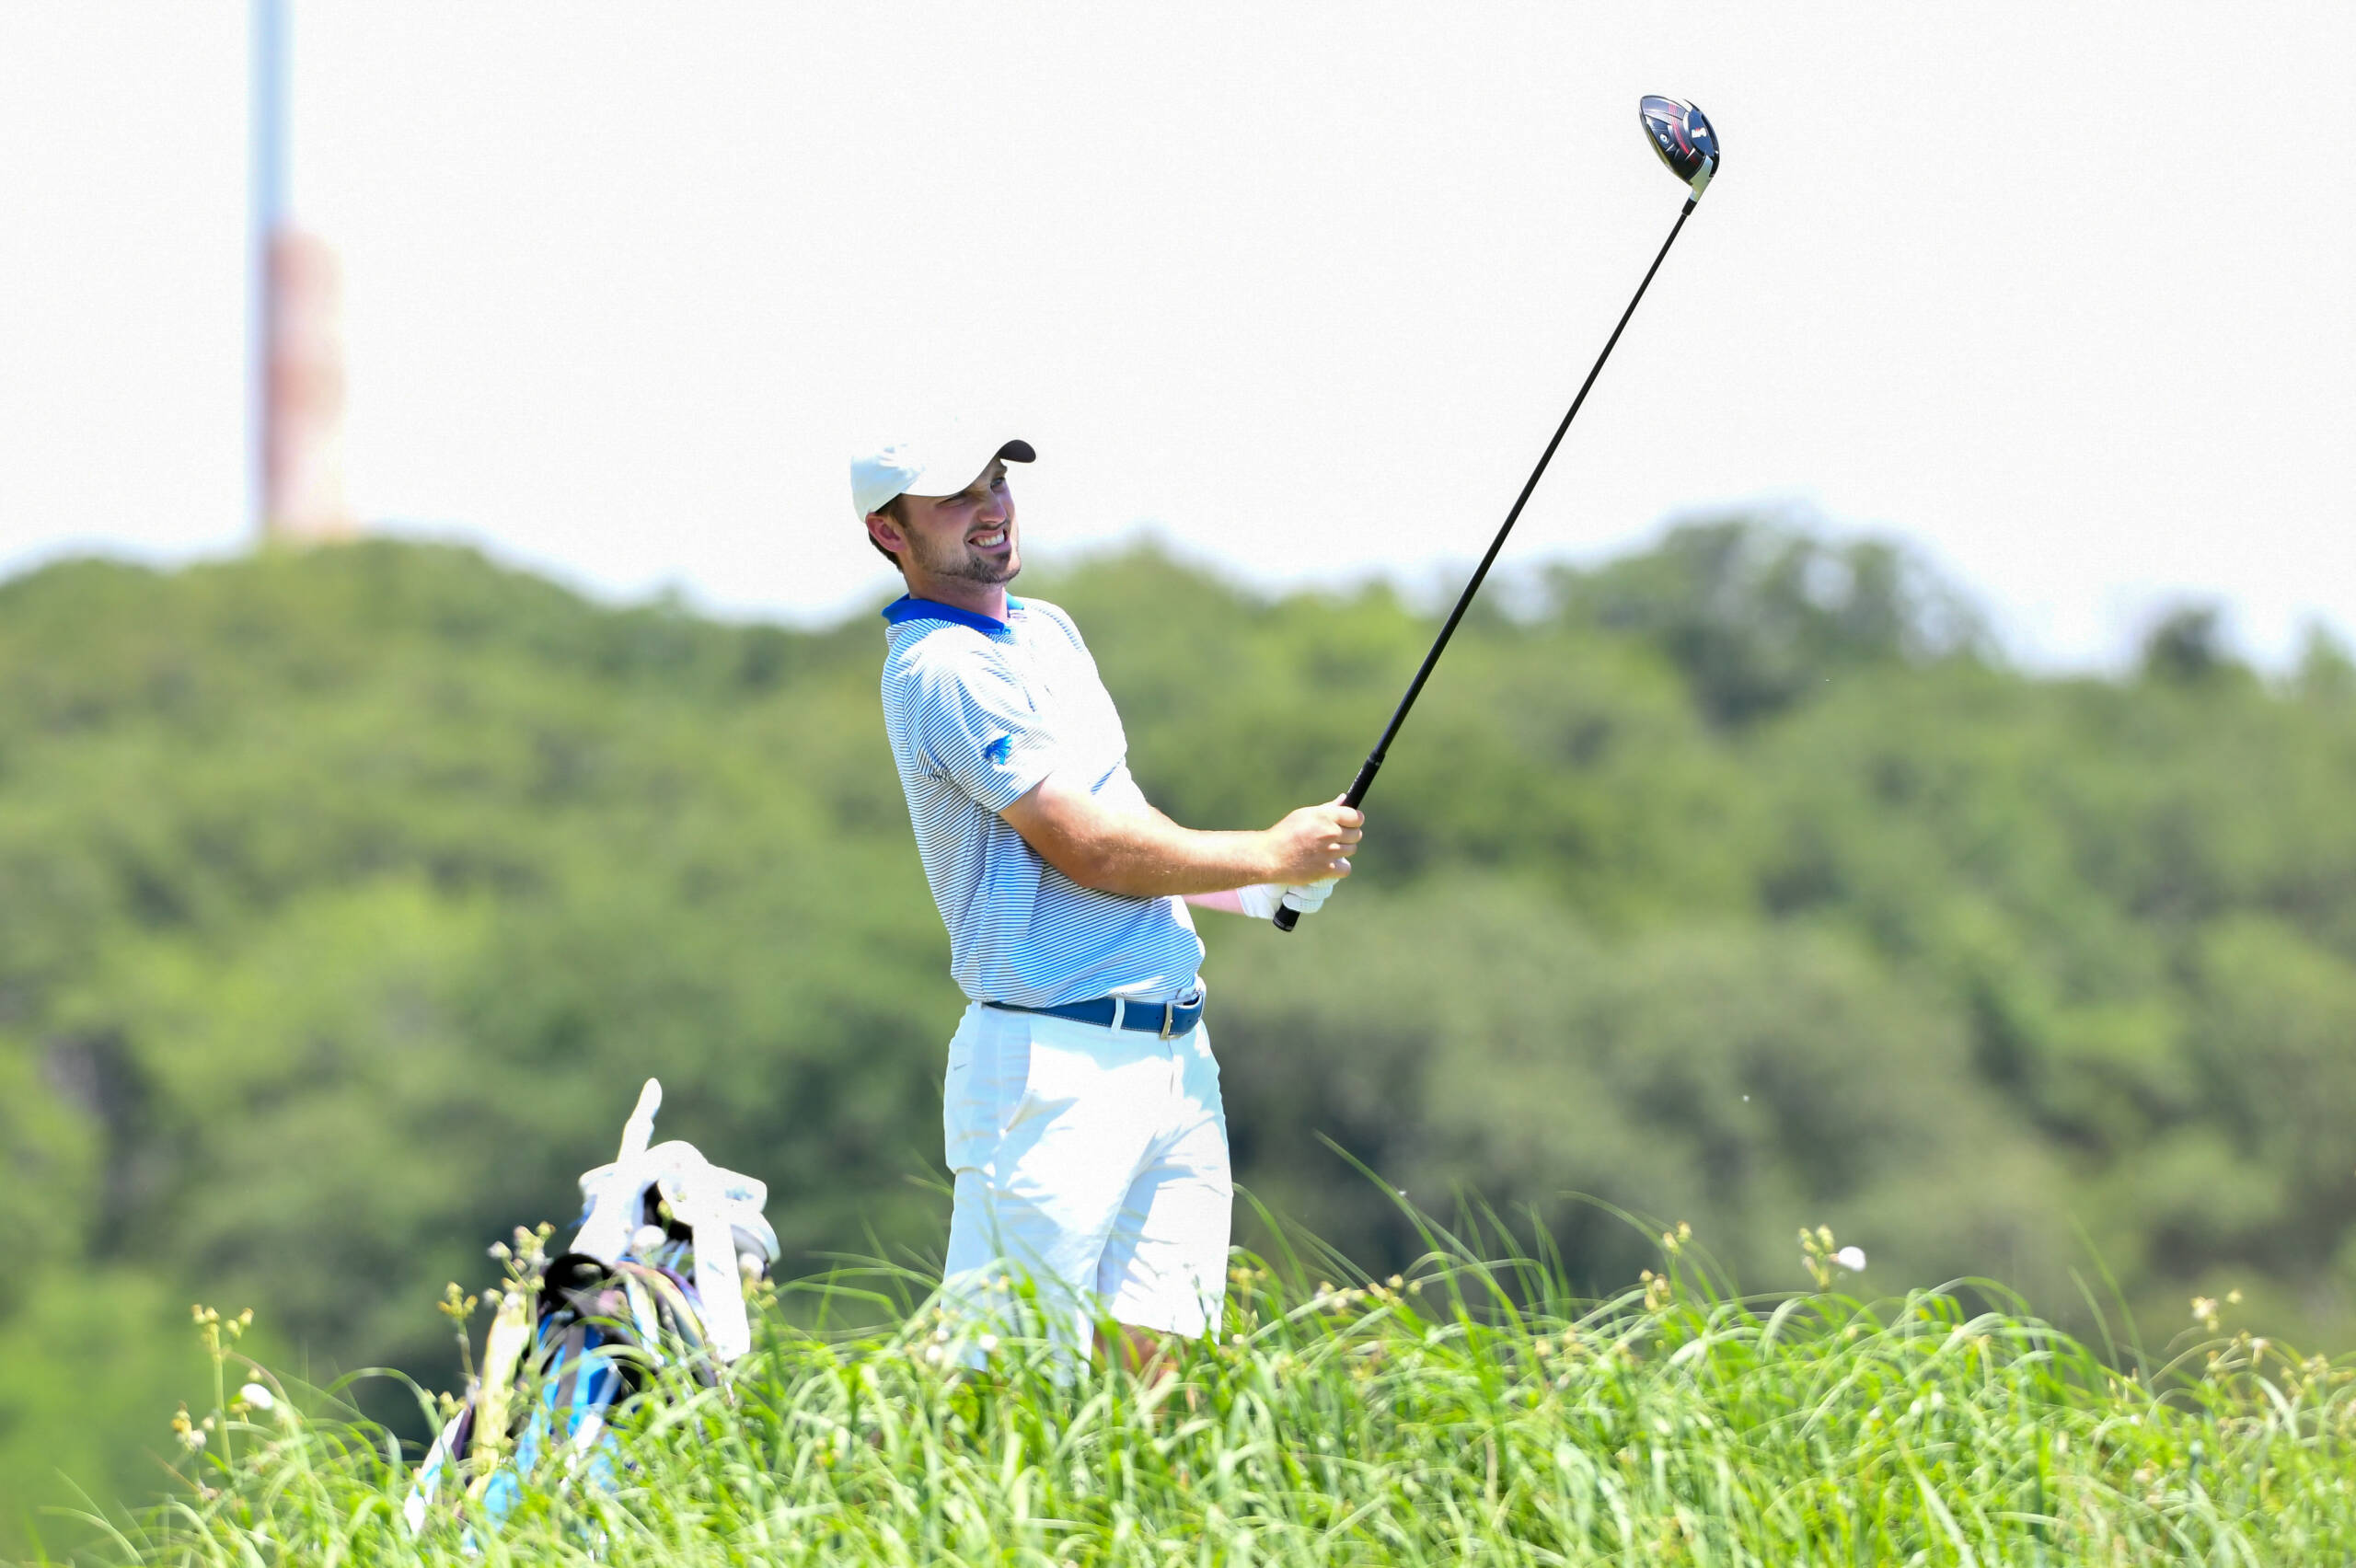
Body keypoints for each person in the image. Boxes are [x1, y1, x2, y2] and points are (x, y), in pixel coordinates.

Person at [853, 421, 1364, 1366]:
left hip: (1174, 1056)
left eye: (997, 482)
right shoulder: (941, 669)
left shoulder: (1046, 630)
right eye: (958, 497)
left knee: (1163, 1366)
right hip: (1050, 1064)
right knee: (1000, 1377)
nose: (992, 508)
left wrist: (1252, 890)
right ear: (890, 532)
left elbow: (1120, 814)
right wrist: (1265, 851)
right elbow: (1083, 848)